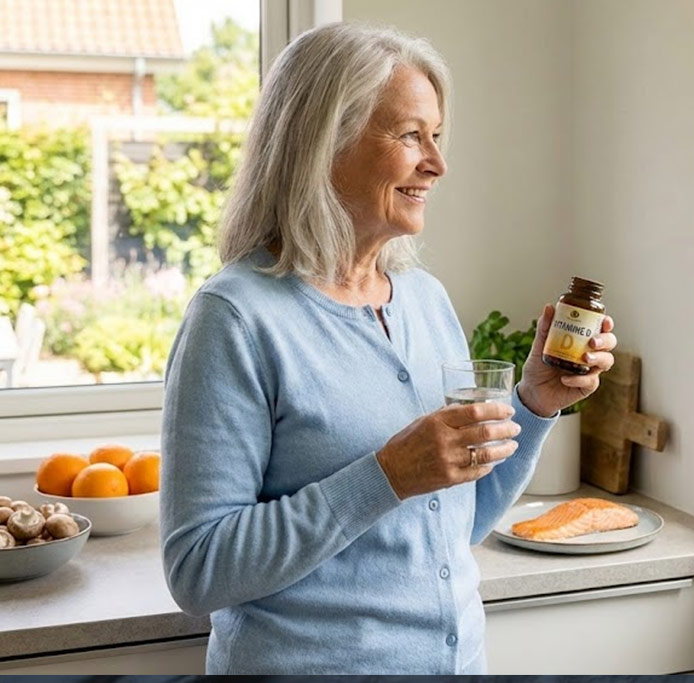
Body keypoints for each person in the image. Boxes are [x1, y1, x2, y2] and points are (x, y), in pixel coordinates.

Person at [159, 21, 617, 675]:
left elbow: (451, 522)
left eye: (437, 135)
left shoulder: (424, 300)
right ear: (324, 141)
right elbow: (198, 570)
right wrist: (386, 475)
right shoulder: (236, 317)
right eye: (410, 135)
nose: (437, 162)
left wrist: (536, 404)